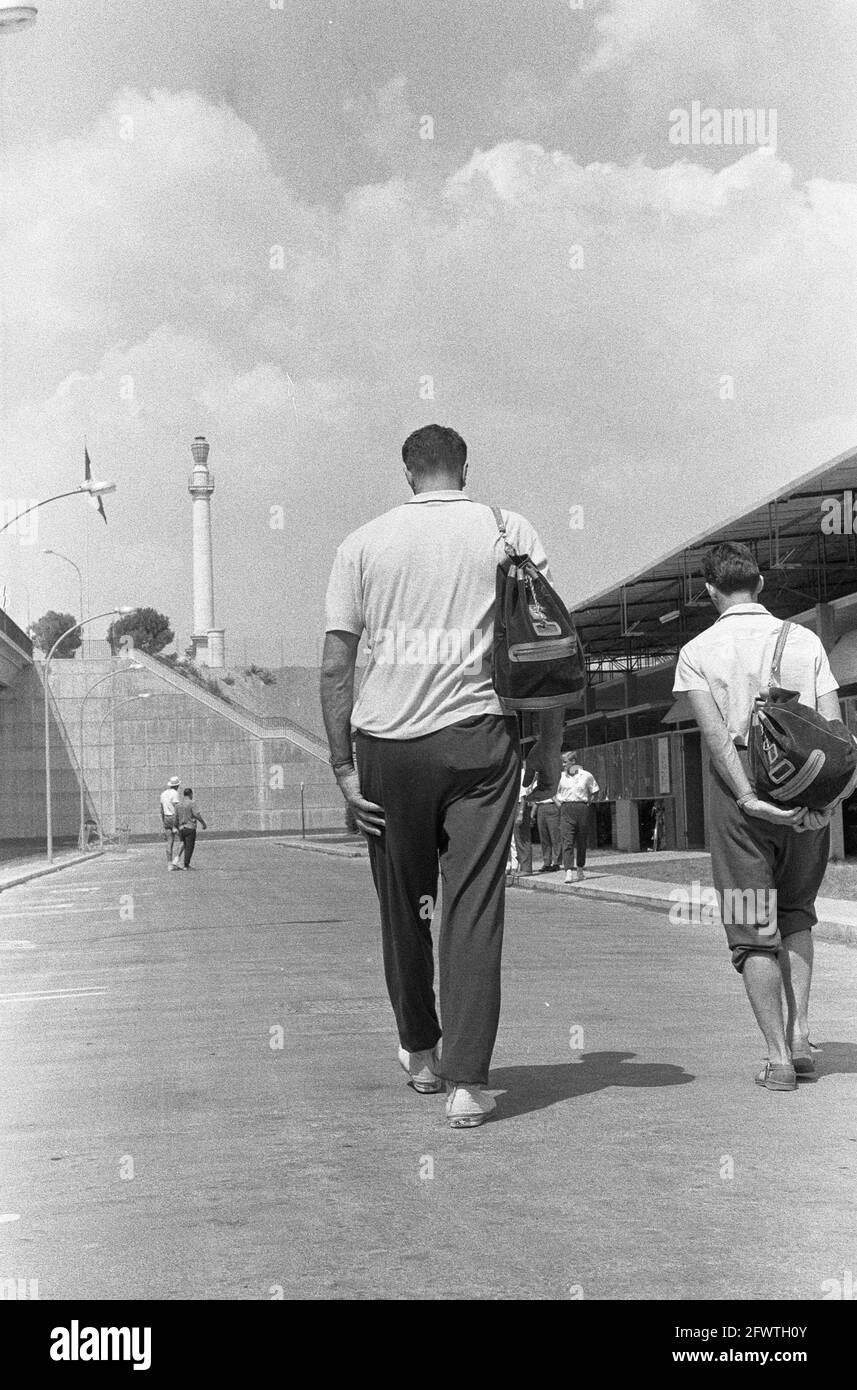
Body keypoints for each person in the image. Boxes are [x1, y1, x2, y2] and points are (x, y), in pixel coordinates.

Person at [320, 423, 562, 1129]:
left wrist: (343, 767)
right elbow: (544, 644)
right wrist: (548, 746)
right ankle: (468, 1083)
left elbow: (336, 666)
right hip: (479, 740)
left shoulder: (362, 544)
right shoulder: (507, 530)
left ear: (407, 474)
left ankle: (421, 1053)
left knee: (404, 907)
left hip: (387, 748)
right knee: (473, 906)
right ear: (465, 468)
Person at [673, 540, 850, 1092]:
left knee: (751, 925)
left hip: (738, 799)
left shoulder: (697, 650)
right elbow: (836, 735)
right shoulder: (806, 640)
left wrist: (749, 797)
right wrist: (824, 805)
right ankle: (801, 1037)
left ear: (710, 591)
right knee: (796, 913)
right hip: (805, 791)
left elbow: (715, 737)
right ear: (761, 583)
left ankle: (776, 1058)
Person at [556, 750, 599, 884]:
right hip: (566, 808)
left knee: (581, 841)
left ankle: (580, 868)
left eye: (565, 762)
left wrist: (588, 803)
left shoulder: (586, 775)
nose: (563, 765)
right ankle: (568, 871)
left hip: (581, 808)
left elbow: (595, 790)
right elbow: (552, 792)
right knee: (567, 840)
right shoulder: (560, 777)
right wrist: (559, 804)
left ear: (573, 762)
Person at [176, 788, 207, 868]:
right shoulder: (192, 803)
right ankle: (186, 865)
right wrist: (203, 823)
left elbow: (176, 817)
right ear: (191, 794)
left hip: (181, 828)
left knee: (183, 844)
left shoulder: (179, 804)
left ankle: (176, 860)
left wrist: (176, 827)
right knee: (189, 847)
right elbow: (196, 814)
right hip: (190, 827)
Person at [159, 776, 182, 871]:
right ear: (177, 785)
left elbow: (161, 810)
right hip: (173, 817)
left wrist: (163, 821)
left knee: (169, 842)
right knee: (183, 839)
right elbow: (176, 808)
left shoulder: (163, 794)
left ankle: (169, 864)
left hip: (166, 817)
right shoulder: (175, 793)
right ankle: (176, 860)